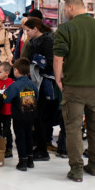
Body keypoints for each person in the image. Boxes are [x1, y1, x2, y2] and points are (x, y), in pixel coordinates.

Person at [53, 0, 95, 183]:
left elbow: (58, 58)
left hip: (73, 87)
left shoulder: (65, 29)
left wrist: (58, 79)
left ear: (71, 7)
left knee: (73, 128)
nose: (65, 13)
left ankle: (76, 169)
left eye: (65, 9)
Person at [22, 17, 60, 160]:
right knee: (36, 116)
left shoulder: (47, 41)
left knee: (40, 117)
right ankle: (40, 147)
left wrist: (38, 63)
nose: (26, 34)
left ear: (35, 29)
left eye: (28, 31)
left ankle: (42, 149)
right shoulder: (35, 41)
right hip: (36, 81)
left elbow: (51, 63)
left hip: (44, 82)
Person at [3, 58, 38, 171]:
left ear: (16, 70)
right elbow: (37, 97)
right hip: (31, 115)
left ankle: (22, 162)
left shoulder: (15, 85)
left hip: (19, 116)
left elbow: (6, 98)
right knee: (29, 137)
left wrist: (4, 94)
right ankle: (30, 160)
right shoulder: (33, 84)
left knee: (20, 138)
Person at [0, 61, 14, 158]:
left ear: (7, 73)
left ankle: (9, 148)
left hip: (7, 111)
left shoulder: (10, 82)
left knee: (6, 130)